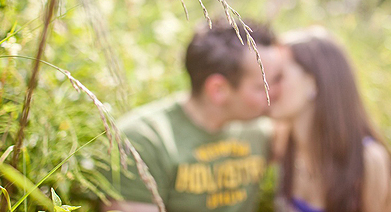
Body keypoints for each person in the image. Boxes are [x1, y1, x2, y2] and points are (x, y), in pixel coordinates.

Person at [101, 18, 284, 212]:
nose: (279, 92)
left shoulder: (261, 130)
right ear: (218, 90)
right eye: (263, 85)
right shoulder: (143, 140)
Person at [269, 28, 391, 212]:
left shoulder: (368, 161)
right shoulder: (283, 144)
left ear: (313, 81)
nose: (267, 87)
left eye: (278, 77)